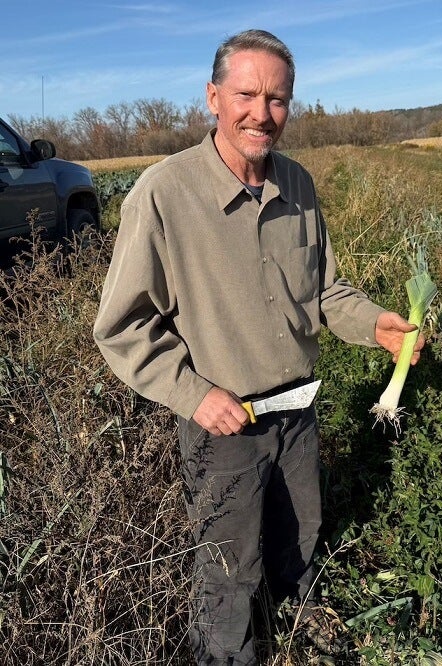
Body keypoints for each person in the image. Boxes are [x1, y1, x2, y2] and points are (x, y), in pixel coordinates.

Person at [93, 29, 424, 666]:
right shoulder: (163, 194)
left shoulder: (298, 184)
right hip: (226, 429)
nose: (261, 113)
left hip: (299, 414)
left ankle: (301, 636)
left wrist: (377, 323)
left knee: (300, 537)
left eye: (277, 98)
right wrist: (194, 394)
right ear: (213, 98)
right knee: (227, 573)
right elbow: (123, 327)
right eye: (247, 93)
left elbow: (327, 293)